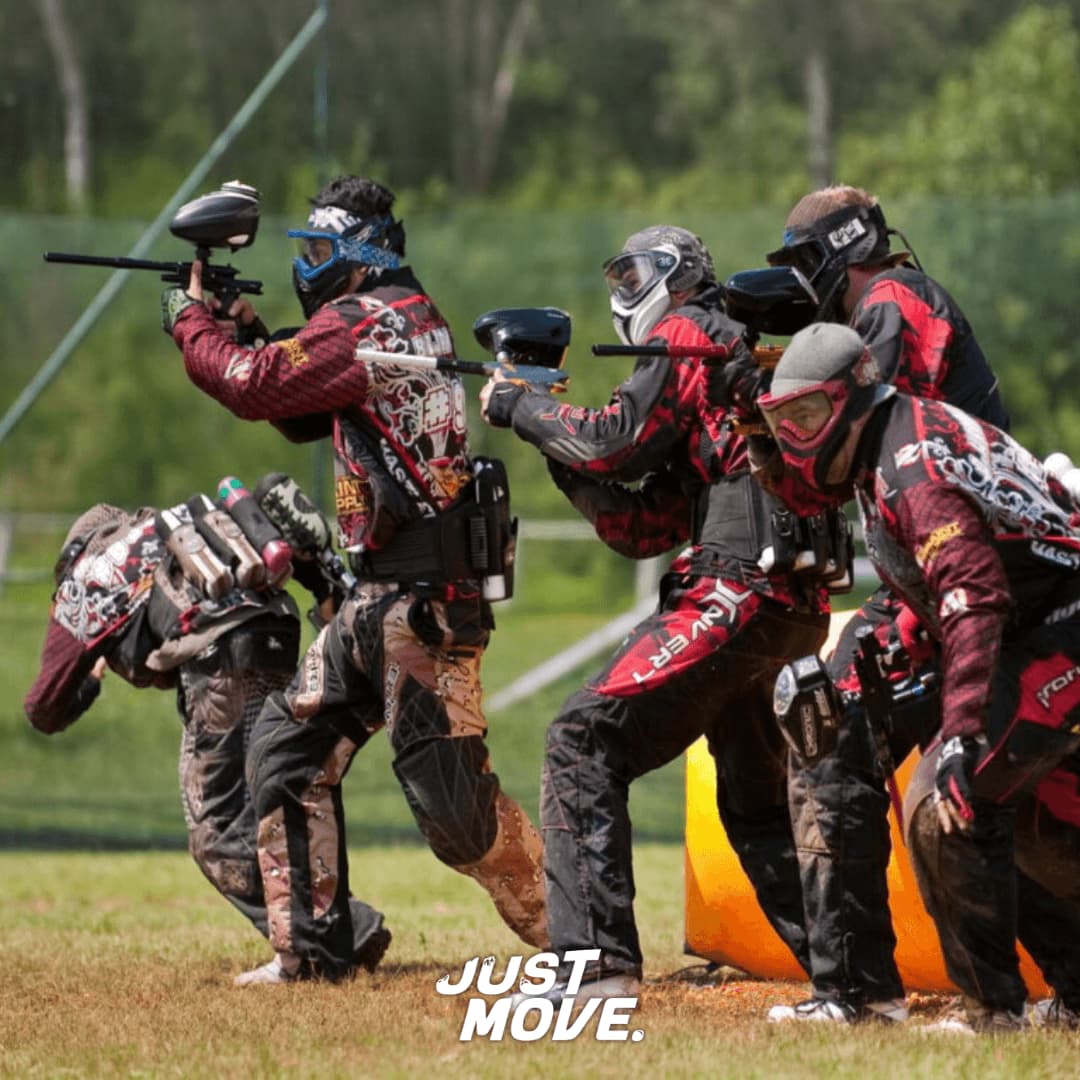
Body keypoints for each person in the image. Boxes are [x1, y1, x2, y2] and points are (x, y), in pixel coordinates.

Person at [161, 175, 546, 984]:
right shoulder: (391, 315)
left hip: (426, 607)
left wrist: (190, 322)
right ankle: (312, 951)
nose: (307, 266)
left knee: (455, 813)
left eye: (320, 251)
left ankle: (579, 928)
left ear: (363, 257)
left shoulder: (370, 319)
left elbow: (252, 385)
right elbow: (302, 406)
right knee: (285, 749)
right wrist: (252, 331)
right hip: (376, 600)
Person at [480, 225, 839, 1000]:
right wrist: (549, 438)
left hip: (738, 589)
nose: (626, 292)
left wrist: (522, 405)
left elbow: (613, 442)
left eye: (637, 274)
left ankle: (595, 968)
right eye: (618, 277)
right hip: (787, 605)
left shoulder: (686, 333)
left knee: (581, 741)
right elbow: (640, 526)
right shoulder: (723, 364)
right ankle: (849, 977)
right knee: (755, 803)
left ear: (680, 278)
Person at [756, 320, 1080, 1033]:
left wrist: (960, 733)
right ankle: (866, 991)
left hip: (1057, 628)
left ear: (852, 396)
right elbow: (967, 572)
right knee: (847, 735)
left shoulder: (911, 467)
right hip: (1021, 622)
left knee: (948, 799)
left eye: (807, 415)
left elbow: (976, 595)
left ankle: (993, 1014)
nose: (795, 439)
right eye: (784, 421)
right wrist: (905, 634)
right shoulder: (888, 439)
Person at [745, 185, 1013, 1023]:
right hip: (925, 587)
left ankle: (950, 998)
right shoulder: (884, 314)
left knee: (949, 781)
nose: (797, 283)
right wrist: (758, 407)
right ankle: (859, 993)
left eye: (802, 262)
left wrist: (781, 381)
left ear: (837, 251)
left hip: (966, 583)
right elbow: (824, 470)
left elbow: (857, 418)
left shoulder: (896, 300)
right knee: (829, 736)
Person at [23, 491, 392, 979]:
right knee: (264, 803)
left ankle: (333, 936)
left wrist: (89, 683)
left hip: (218, 660)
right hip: (277, 636)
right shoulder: (168, 526)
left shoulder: (84, 579)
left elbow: (43, 708)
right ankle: (333, 931)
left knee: (216, 831)